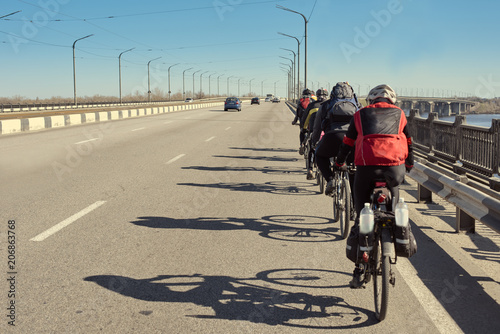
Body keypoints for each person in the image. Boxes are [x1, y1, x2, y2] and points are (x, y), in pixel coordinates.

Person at [334, 84, 414, 288]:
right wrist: (410, 164)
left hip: (366, 170)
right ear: (392, 101)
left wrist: (339, 162)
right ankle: (394, 240)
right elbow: (410, 142)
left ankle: (359, 268)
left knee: (361, 214)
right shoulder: (401, 115)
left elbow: (348, 142)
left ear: (370, 100)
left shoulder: (360, 115)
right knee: (394, 210)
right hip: (394, 172)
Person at [311, 82, 361, 194]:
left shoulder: (326, 105)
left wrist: (315, 142)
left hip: (332, 137)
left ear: (333, 94)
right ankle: (353, 205)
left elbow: (317, 127)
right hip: (353, 141)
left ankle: (330, 180)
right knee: (353, 168)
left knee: (319, 155)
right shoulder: (357, 105)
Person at [301, 88, 329, 179]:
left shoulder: (312, 105)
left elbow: (305, 119)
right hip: (327, 132)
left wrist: (304, 129)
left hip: (314, 131)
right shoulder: (330, 105)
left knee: (312, 148)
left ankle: (310, 169)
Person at [292, 89, 313, 155]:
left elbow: (297, 113)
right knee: (313, 133)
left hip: (303, 121)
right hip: (311, 121)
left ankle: (302, 144)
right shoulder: (312, 100)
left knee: (302, 132)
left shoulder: (300, 101)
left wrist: (294, 121)